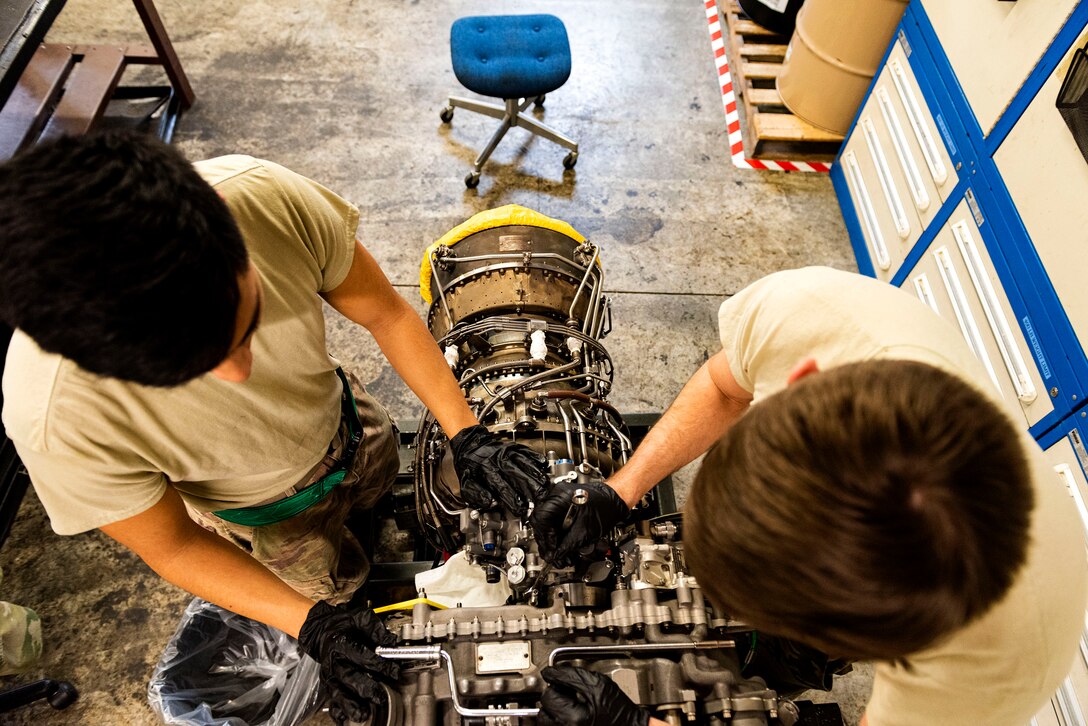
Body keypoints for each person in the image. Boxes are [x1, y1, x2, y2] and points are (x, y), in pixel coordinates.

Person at [0, 131, 546, 724]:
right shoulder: (54, 417)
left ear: (228, 231)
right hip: (268, 516)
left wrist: (466, 432)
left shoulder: (262, 198)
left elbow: (386, 313)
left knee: (381, 479)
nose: (241, 372)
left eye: (247, 323)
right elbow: (174, 544)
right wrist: (312, 623)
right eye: (189, 371)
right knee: (332, 584)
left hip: (354, 427)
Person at [532, 266, 1087, 725]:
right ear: (804, 380)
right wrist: (622, 488)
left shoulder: (1000, 658)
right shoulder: (815, 315)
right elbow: (726, 387)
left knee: (778, 664)